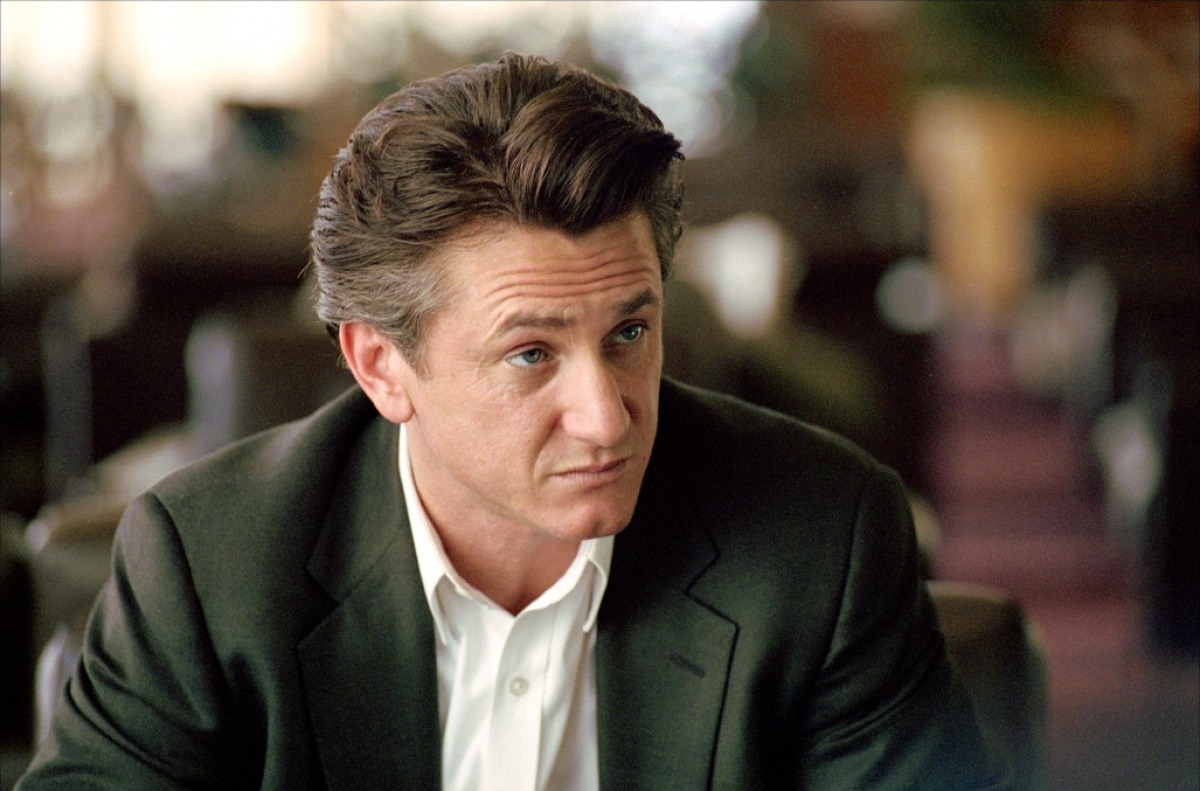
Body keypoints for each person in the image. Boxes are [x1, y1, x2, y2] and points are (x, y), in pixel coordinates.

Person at [19, 53, 1009, 790]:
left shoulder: (822, 540)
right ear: (380, 366)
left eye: (629, 333)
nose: (606, 415)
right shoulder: (209, 564)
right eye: (531, 353)